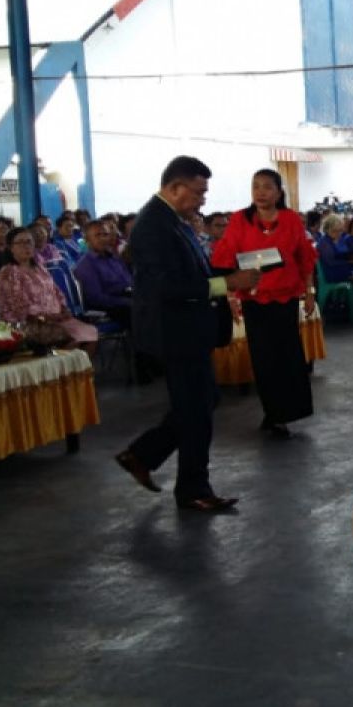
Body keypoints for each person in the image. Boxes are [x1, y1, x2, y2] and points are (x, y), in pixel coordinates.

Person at [112, 155, 260, 513]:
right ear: (174, 187)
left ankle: (143, 454)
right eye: (197, 192)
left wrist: (230, 272)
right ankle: (192, 487)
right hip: (174, 331)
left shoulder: (174, 220)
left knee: (202, 402)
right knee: (195, 409)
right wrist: (226, 283)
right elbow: (168, 285)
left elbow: (194, 270)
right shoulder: (153, 226)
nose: (202, 200)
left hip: (189, 329)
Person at [211, 168, 318, 438]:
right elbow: (225, 261)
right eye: (256, 186)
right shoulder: (239, 220)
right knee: (264, 359)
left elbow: (305, 258)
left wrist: (309, 291)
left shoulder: (291, 219)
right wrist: (231, 296)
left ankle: (287, 411)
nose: (260, 192)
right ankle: (273, 414)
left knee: (289, 357)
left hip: (284, 299)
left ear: (279, 192)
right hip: (254, 300)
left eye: (267, 187)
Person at [0, 226, 98, 352]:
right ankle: (60, 369)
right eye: (20, 242)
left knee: (90, 333)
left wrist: (64, 309)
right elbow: (19, 307)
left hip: (54, 319)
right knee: (71, 337)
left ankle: (79, 371)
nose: (26, 246)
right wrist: (47, 317)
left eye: (29, 242)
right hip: (26, 323)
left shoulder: (39, 268)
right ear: (11, 248)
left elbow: (56, 291)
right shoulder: (9, 272)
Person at [73, 220, 134, 326]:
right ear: (87, 240)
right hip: (108, 307)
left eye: (105, 234)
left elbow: (128, 281)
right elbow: (97, 299)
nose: (103, 239)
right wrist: (128, 302)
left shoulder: (114, 257)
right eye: (97, 235)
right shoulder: (86, 265)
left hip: (126, 296)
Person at [317, 214, 353, 281]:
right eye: (335, 231)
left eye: (340, 230)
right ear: (327, 229)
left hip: (343, 268)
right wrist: (348, 262)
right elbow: (330, 262)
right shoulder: (324, 242)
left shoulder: (340, 239)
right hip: (332, 272)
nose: (338, 233)